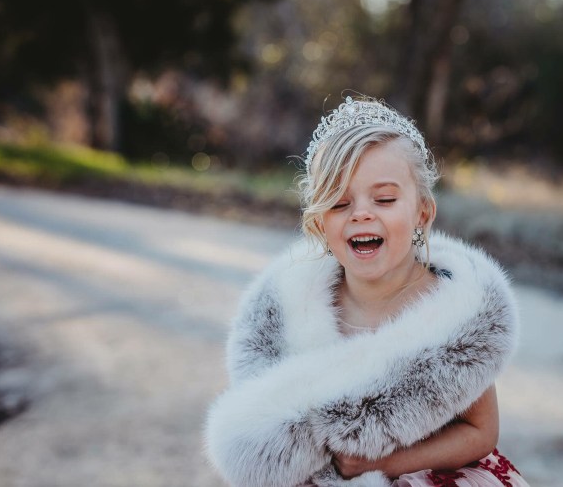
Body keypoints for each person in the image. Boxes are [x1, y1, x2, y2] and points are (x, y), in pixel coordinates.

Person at [205, 96, 529, 487]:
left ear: (422, 213)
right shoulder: (292, 317)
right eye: (340, 203)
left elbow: (481, 432)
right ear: (321, 224)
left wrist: (388, 464)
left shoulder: (452, 313)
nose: (361, 213)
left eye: (385, 199)